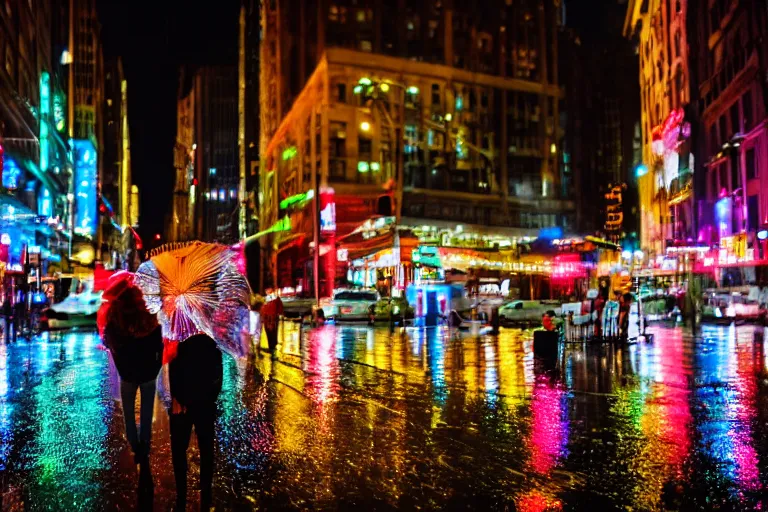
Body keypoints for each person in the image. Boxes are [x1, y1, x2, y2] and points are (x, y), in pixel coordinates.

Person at [99, 271, 163, 465]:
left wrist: (122, 367)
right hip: (148, 374)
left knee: (128, 413)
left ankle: (135, 447)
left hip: (127, 374)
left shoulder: (113, 324)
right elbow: (159, 347)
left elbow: (110, 345)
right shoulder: (149, 320)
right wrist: (155, 368)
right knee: (146, 411)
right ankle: (145, 445)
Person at [168, 333, 223, 510]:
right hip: (204, 405)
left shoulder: (178, 342)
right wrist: (210, 399)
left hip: (182, 405)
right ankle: (205, 492)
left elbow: (174, 371)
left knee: (179, 449)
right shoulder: (213, 345)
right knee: (206, 449)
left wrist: (177, 397)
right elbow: (217, 378)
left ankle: (182, 493)